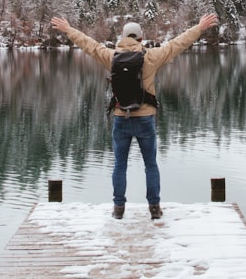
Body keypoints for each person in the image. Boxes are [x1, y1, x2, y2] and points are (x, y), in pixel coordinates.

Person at [50, 13, 219, 220]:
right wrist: (199, 27)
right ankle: (154, 207)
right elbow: (178, 44)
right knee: (151, 165)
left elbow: (89, 45)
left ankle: (118, 208)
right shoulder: (151, 56)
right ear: (141, 39)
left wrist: (68, 30)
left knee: (120, 165)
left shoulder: (111, 56)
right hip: (145, 119)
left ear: (122, 37)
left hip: (121, 118)